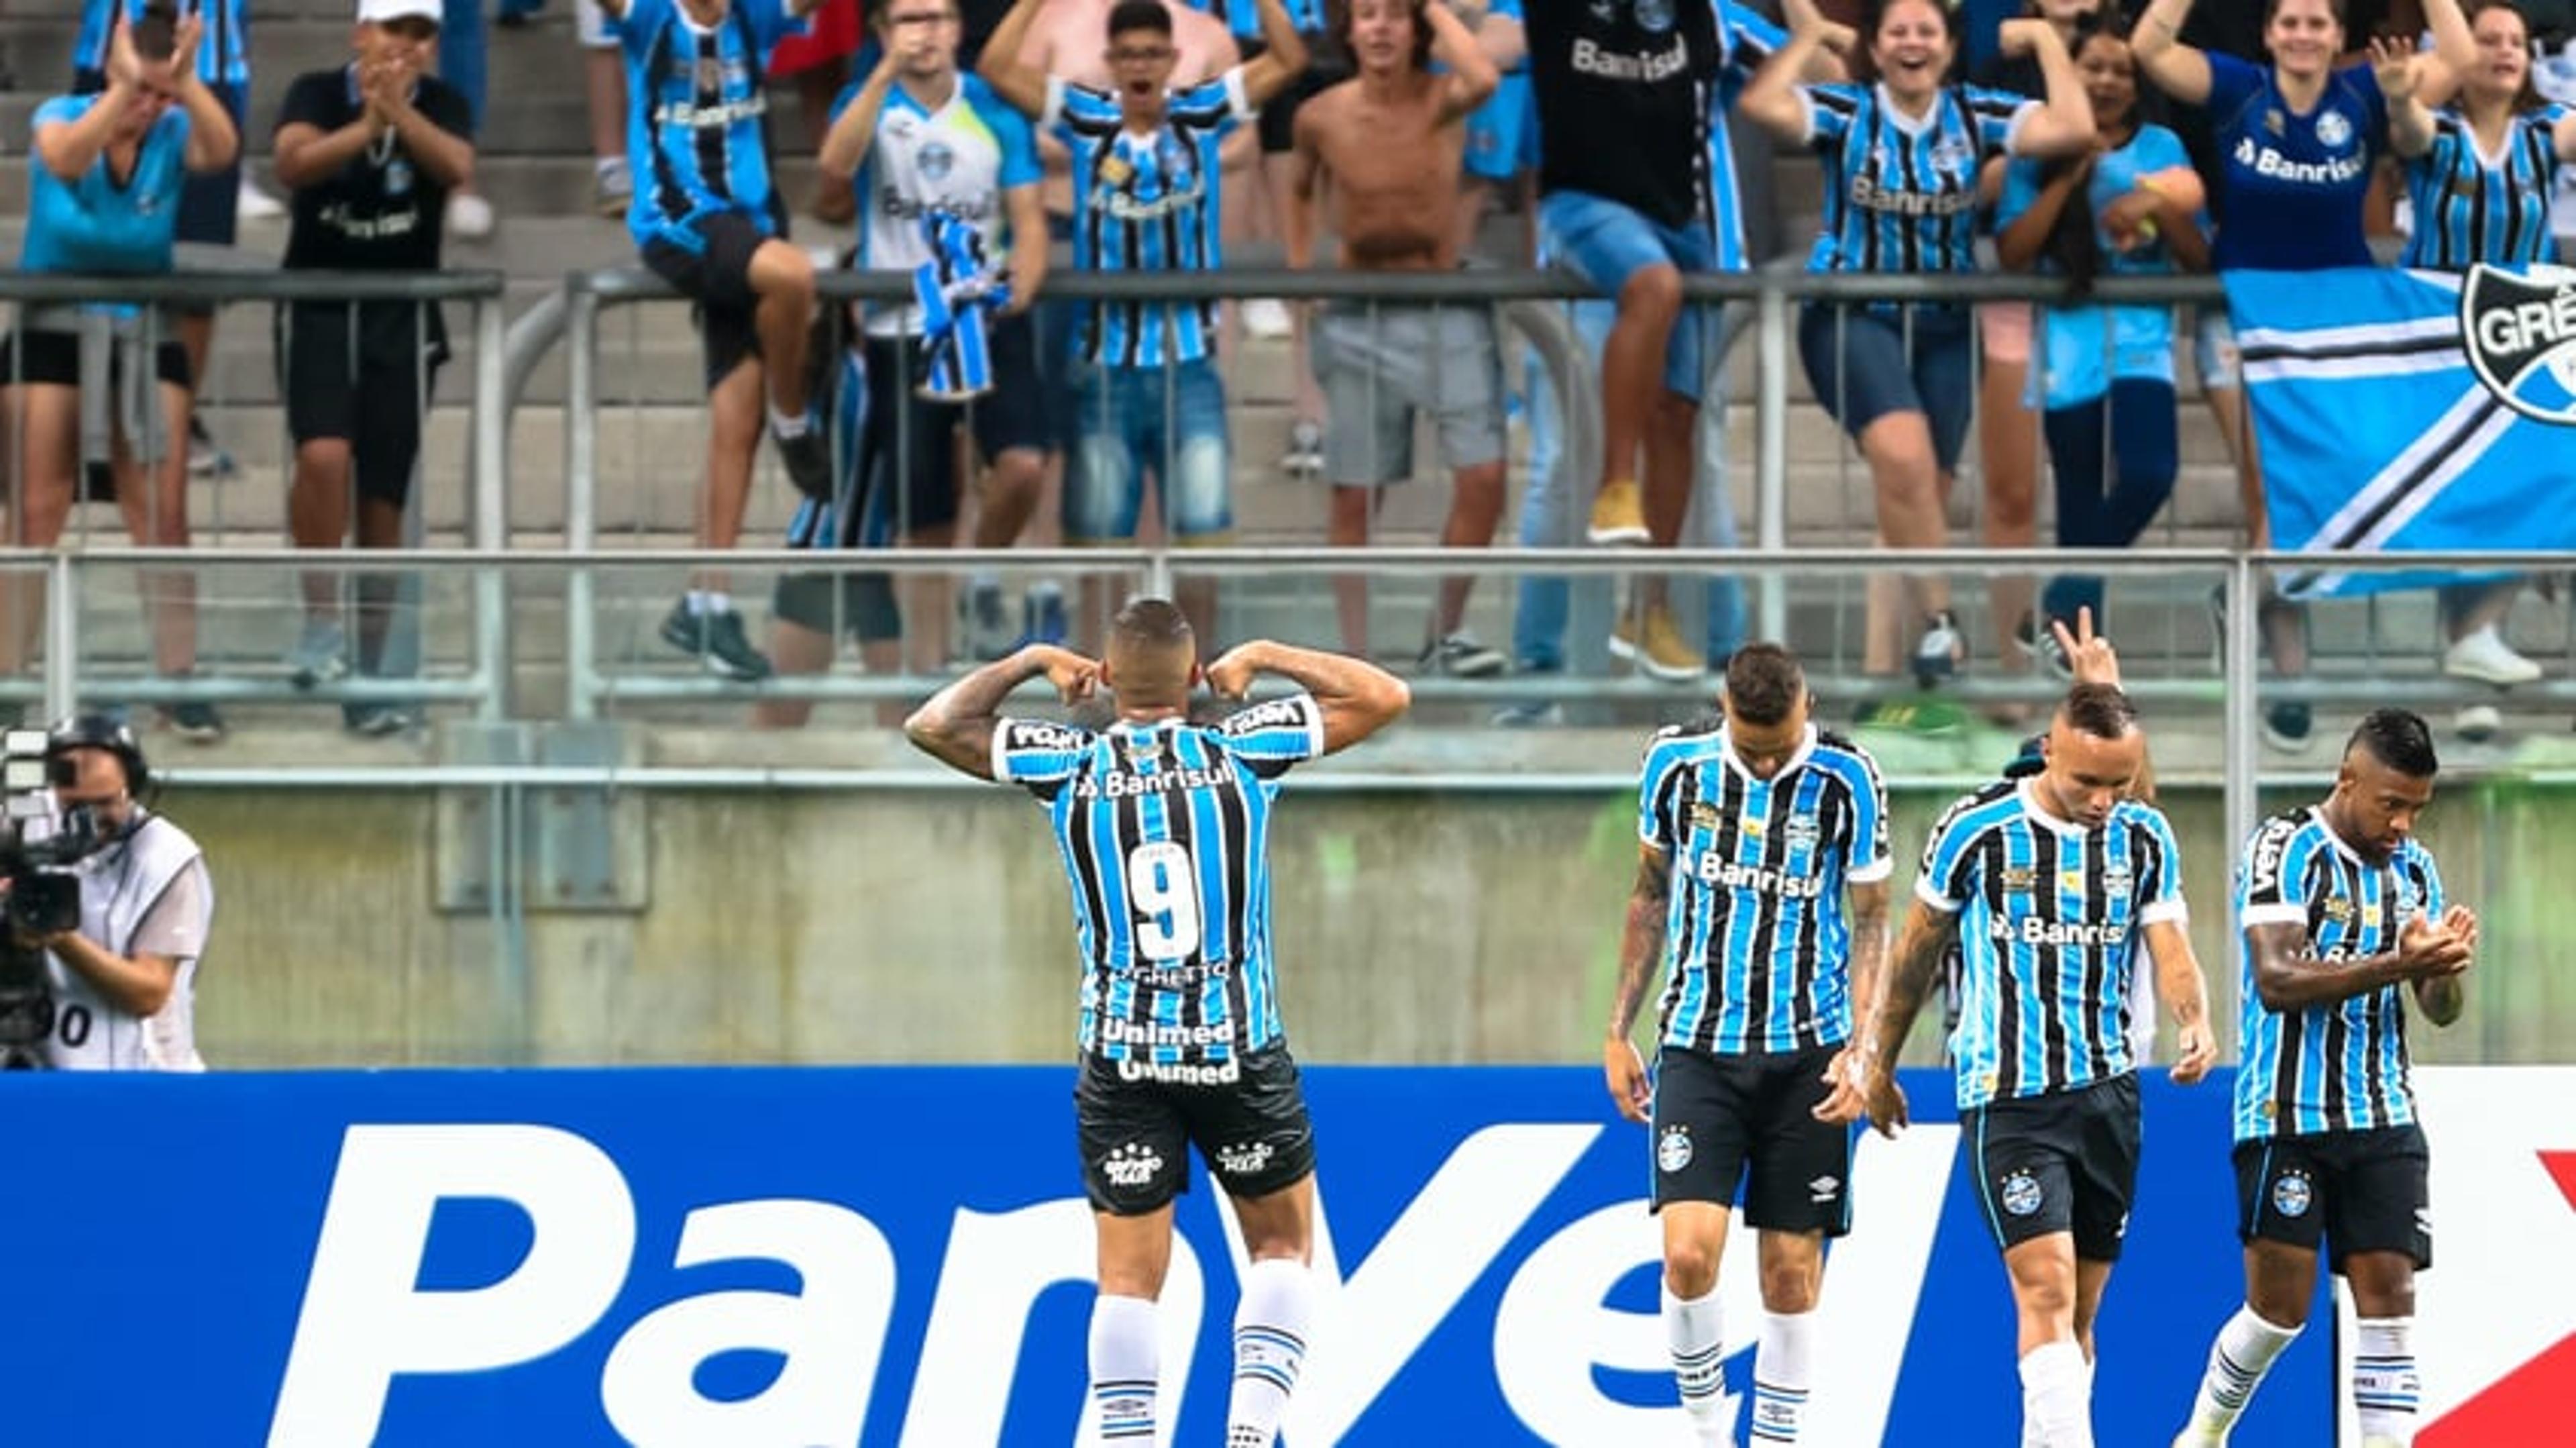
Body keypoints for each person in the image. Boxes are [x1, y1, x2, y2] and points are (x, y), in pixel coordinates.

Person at [903, 599, 1409, 1448]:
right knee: (1283, 1248)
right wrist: (1266, 653)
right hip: (1236, 1046)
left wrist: (1030, 660)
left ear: (1102, 677)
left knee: (1129, 1283)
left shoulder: (1069, 760)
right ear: (1194, 672)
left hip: (1123, 1058)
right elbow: (1383, 694)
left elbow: (933, 724)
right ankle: (1252, 1430)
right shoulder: (1244, 747)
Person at [1856, 681, 2217, 1447]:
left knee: (2079, 1318)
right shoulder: (1975, 828)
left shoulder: (2144, 838)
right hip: (2007, 1095)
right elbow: (1917, 957)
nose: (2102, 800)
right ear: (2049, 749)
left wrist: (2196, 1020)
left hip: (2108, 1095)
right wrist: (1877, 1065)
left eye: (2118, 783)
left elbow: (2170, 945)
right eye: (2087, 781)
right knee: (2043, 1287)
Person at [2132, 0, 2473, 751]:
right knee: (2265, 487)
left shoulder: (2365, 91)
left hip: (2331, 330)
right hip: (2241, 319)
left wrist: (2404, 74)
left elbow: (2459, 56)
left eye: (2318, 22)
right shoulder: (2236, 88)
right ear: (2267, 32)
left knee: (2317, 487)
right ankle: (2287, 663)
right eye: (2290, 20)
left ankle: (2245, 599)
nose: (2303, 33)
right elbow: (2151, 50)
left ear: (2338, 36)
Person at [1739, 0, 2096, 699]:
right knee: (1903, 457)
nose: (1912, 43)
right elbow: (1762, 104)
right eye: (1897, 32)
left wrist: (2049, 42)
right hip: (1851, 314)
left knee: (1922, 493)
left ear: (1949, 47)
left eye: (1926, 31)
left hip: (1944, 324)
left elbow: (2075, 127)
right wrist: (1806, 38)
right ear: (1874, 49)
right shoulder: (1847, 111)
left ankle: (1888, 684)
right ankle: (1942, 621)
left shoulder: (1976, 111)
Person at [1604, 643, 1892, 1447]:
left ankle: (1777, 1440)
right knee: (1689, 1257)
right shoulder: (1675, 763)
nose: (1766, 762)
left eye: (1781, 744)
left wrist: (1864, 1050)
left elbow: (1873, 918)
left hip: (1811, 1054)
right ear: (1724, 710)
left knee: (1791, 1275)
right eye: (1751, 746)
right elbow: (1650, 893)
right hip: (1699, 1043)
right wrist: (1617, 1029)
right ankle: (1701, 1430)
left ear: (1807, 706)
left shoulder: (1848, 778)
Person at [2170, 710, 2475, 1448]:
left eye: (2417, 808)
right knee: (2279, 1311)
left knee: (2390, 1299)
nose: (2403, 823)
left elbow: (2438, 1013)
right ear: (2348, 780)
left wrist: (2441, 971)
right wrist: (2402, 964)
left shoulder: (2415, 869)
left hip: (2384, 1112)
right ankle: (2204, 1434)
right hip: (2287, 1115)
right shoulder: (2287, 847)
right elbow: (2276, 979)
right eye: (2391, 804)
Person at [978, 0, 1309, 645]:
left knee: (1203, 538)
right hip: (1103, 368)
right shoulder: (1085, 114)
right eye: (1127, 55)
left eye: (1152, 54)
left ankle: (1200, 690)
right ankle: (1105, 696)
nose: (1139, 67)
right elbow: (995, 66)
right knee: (1102, 547)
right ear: (1110, 62)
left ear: (1172, 60)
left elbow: (1293, 60)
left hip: (1190, 368)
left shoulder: (1202, 110)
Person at [1523, 0, 1790, 679]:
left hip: (1683, 231)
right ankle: (1539, 668)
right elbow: (1488, 41)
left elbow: (1811, 74)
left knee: (1682, 427)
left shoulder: (1711, 17)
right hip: (1580, 240)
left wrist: (1814, 27)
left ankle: (1654, 613)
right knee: (1560, 464)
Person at [0, 3, 235, 743]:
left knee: (162, 515)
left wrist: (186, 86)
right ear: (112, 71)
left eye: (159, 97)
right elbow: (66, 159)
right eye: (142, 90)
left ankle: (179, 680)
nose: (150, 109)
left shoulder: (173, 128)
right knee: (36, 513)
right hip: (52, 325)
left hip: (143, 325)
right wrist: (119, 91)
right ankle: (9, 677)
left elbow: (221, 151)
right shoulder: (61, 113)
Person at [600, 0, 834, 682]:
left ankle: (704, 603)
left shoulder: (754, 17)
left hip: (752, 221)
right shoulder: (648, 19)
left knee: (736, 423)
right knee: (794, 277)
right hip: (682, 222)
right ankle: (797, 422)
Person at [818, 0, 1050, 667]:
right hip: (901, 327)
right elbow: (835, 168)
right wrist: (882, 71)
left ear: (958, 27)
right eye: (910, 18)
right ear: (884, 32)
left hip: (985, 315)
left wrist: (1020, 289)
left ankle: (979, 576)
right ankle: (929, 670)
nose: (928, 31)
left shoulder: (994, 107)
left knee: (1023, 466)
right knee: (925, 515)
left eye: (939, 16)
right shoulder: (866, 101)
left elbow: (1029, 218)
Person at [272, 0, 478, 738]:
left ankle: (371, 673)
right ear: (362, 32)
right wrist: (365, 126)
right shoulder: (317, 91)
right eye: (395, 29)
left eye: (421, 33)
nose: (407, 45)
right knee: (323, 455)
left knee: (384, 502)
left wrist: (400, 116)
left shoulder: (446, 103)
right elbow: (292, 162)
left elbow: (457, 165)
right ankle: (321, 622)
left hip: (402, 315)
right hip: (324, 306)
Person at [1285, 0, 1507, 674]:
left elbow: (1487, 78)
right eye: (1366, 15)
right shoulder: (1320, 115)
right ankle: (1354, 660)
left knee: (1485, 475)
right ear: (1348, 31)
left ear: (1416, 30)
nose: (1379, 28)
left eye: (1393, 15)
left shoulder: (1445, 99)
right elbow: (1297, 191)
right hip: (1357, 312)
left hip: (1442, 302)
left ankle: (1443, 632)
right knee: (1355, 491)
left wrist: (1430, 7)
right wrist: (1303, 276)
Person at [1994, 13, 2206, 668]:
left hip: (2143, 341)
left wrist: (2158, 208)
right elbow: (2013, 253)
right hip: (2066, 342)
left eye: (2122, 70)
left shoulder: (2163, 146)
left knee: (2150, 471)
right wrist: (2068, 181)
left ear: (2139, 84)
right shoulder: (2038, 147)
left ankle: (2060, 600)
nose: (2109, 80)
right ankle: (2082, 661)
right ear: (2070, 73)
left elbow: (2200, 260)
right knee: (2079, 503)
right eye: (2095, 68)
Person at [2387, 0, 2573, 731]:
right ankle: (2469, 669)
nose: (2502, 52)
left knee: (2538, 484)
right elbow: (2405, 132)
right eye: (2488, 39)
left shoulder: (2543, 136)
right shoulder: (2440, 134)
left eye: (2516, 43)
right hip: (2439, 342)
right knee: (2461, 501)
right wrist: (2402, 94)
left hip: (2526, 344)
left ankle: (2478, 638)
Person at [70, 0, 260, 482]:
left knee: (200, 261)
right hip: (111, 50)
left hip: (213, 58)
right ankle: (92, 415)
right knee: (96, 243)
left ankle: (182, 419)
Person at [25, 715, 213, 1071]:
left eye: (105, 802)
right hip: (43, 1068)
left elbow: (149, 992)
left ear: (134, 785)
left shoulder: (169, 858)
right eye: (76, 804)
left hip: (143, 1078)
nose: (91, 819)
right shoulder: (23, 827)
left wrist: (59, 937)